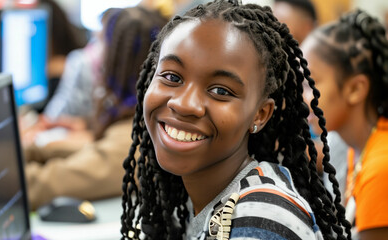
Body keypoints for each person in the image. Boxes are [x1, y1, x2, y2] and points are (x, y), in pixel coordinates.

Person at [120, 1, 351, 239]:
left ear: (260, 114)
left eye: (220, 91)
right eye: (171, 76)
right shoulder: (199, 200)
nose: (184, 104)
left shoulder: (261, 219)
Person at [24, 6, 167, 210]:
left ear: (119, 61)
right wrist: (32, 151)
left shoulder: (133, 144)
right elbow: (92, 152)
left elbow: (38, 186)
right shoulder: (138, 123)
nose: (89, 53)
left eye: (99, 41)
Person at [301, 9, 388, 239]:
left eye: (311, 84)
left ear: (355, 89)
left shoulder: (381, 167)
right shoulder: (357, 149)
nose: (302, 98)